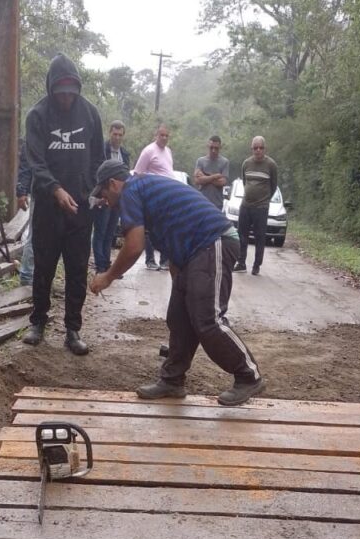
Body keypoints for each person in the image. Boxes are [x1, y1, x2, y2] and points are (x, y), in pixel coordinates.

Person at [88, 160, 264, 407]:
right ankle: (172, 380)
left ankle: (248, 376)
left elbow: (134, 245)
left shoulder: (130, 191)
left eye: (104, 194)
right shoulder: (142, 189)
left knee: (207, 319)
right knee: (179, 317)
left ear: (114, 183)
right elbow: (173, 237)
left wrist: (108, 276)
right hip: (193, 253)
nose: (105, 201)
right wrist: (180, 288)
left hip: (213, 241)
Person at [23, 53, 103, 355]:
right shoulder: (38, 115)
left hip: (81, 209)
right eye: (61, 94)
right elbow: (36, 161)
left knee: (77, 268)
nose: (67, 99)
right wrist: (56, 189)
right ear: (52, 89)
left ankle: (73, 329)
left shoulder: (90, 114)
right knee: (43, 265)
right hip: (48, 207)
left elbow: (98, 158)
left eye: (71, 93)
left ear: (77, 89)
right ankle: (38, 322)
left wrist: (93, 191)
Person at [233, 136, 278, 276]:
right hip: (246, 205)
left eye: (261, 148)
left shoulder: (271, 165)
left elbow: (273, 186)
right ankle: (241, 263)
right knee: (242, 235)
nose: (258, 150)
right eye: (255, 148)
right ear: (251, 149)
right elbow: (245, 182)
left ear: (265, 149)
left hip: (261, 207)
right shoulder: (246, 163)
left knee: (260, 237)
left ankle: (256, 265)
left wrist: (265, 200)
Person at [133, 123, 173, 270]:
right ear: (156, 135)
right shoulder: (149, 151)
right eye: (161, 135)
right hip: (153, 196)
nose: (164, 138)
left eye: (166, 135)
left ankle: (164, 261)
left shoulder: (168, 151)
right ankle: (150, 260)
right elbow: (137, 173)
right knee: (150, 229)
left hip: (167, 196)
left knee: (165, 228)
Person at [92, 121, 130, 273]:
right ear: (110, 133)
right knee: (100, 231)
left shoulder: (125, 154)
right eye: (115, 134)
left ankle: (107, 265)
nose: (117, 137)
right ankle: (100, 265)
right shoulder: (101, 150)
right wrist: (98, 196)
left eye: (120, 135)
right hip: (104, 195)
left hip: (118, 198)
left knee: (111, 232)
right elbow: (96, 172)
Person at [15, 139, 34, 283]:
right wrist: (22, 192)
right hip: (39, 192)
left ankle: (39, 275)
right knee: (35, 235)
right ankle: (27, 276)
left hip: (59, 193)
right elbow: (26, 166)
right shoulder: (34, 135)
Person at [194, 135, 229, 208]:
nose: (213, 150)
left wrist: (204, 177)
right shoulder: (200, 161)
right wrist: (215, 176)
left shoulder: (225, 162)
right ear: (208, 146)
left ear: (220, 147)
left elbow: (222, 182)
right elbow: (197, 180)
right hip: (202, 201)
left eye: (216, 148)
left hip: (217, 203)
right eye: (211, 147)